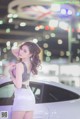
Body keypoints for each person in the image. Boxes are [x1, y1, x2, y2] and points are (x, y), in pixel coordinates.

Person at [9, 41, 41, 119]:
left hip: (21, 96)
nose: (20, 52)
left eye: (25, 51)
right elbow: (14, 50)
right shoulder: (30, 63)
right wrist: (25, 46)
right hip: (29, 97)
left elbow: (18, 85)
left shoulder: (20, 65)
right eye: (21, 49)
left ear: (30, 54)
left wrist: (10, 73)